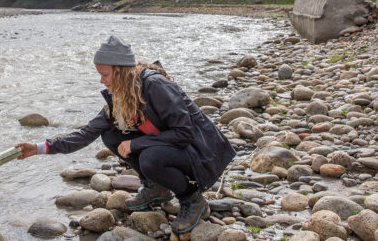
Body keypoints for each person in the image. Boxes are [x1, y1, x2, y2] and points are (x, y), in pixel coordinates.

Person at [16, 35, 235, 235]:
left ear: (120, 71)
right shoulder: (120, 97)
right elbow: (86, 133)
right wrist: (39, 148)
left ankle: (191, 198)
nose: (102, 81)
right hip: (174, 147)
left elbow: (184, 132)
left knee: (150, 158)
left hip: (201, 153)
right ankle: (156, 187)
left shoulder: (155, 85)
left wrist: (137, 143)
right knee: (111, 136)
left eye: (105, 74)